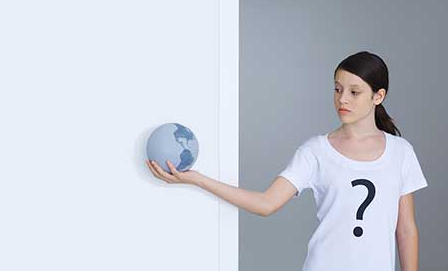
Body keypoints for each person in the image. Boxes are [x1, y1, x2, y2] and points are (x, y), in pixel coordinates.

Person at [146, 51, 428, 271]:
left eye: (354, 92)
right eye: (337, 88)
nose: (343, 99)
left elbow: (405, 228)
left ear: (378, 96)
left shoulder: (400, 152)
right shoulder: (316, 151)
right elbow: (266, 204)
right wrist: (196, 178)